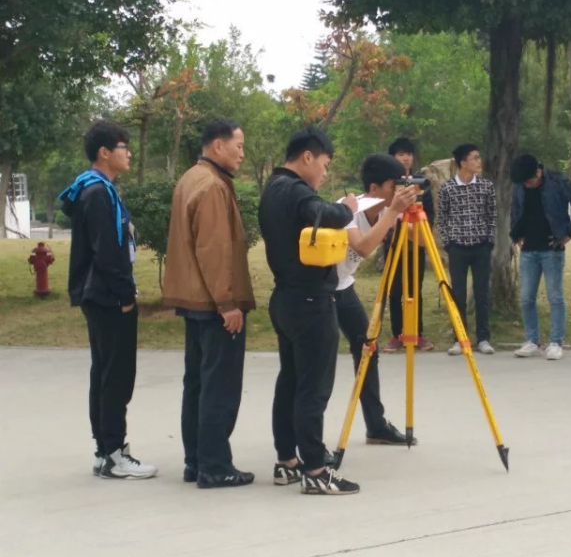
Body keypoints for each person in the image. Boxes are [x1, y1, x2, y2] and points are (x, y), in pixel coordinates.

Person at [259, 126, 360, 495]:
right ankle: (316, 469)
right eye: (324, 163)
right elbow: (321, 213)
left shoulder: (272, 189)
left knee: (290, 382)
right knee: (313, 388)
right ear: (307, 157)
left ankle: (287, 461)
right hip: (309, 302)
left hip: (285, 298)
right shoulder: (297, 191)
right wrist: (347, 209)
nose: (325, 172)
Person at [60, 120, 157, 479]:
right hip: (108, 297)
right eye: (123, 146)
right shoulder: (99, 193)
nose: (128, 153)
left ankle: (105, 451)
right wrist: (125, 296)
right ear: (104, 152)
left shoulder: (95, 190)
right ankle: (114, 454)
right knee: (116, 376)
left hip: (98, 295)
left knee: (104, 373)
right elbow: (108, 252)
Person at [162, 119, 256, 488]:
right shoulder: (213, 186)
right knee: (219, 386)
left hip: (194, 301)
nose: (242, 153)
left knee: (198, 384)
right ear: (218, 145)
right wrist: (227, 303)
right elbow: (214, 250)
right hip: (214, 303)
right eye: (239, 145)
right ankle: (215, 465)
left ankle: (197, 461)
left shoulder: (190, 178)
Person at [335, 154, 418, 443]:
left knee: (367, 349)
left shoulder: (386, 211)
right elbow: (363, 247)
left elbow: (423, 240)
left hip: (344, 286)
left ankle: (376, 426)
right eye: (394, 186)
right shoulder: (346, 209)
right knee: (318, 362)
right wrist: (393, 212)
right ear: (374, 188)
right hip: (321, 289)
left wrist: (413, 213)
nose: (398, 191)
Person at [510, 154, 571, 361]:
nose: (526, 185)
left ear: (538, 172)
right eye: (523, 183)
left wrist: (569, 233)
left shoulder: (558, 181)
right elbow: (515, 208)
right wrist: (516, 234)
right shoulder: (520, 184)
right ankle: (532, 340)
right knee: (526, 298)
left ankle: (556, 342)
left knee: (555, 297)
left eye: (529, 181)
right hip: (528, 250)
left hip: (552, 248)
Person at [437, 143, 496, 355]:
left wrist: (489, 241)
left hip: (481, 247)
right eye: (475, 158)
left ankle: (483, 338)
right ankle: (460, 338)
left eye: (479, 158)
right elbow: (442, 218)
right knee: (458, 296)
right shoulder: (447, 188)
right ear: (463, 162)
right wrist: (448, 242)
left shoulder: (486, 186)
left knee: (482, 294)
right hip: (457, 248)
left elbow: (492, 215)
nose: (479, 162)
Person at [383, 137, 435, 352]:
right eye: (401, 154)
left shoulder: (421, 183)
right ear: (393, 157)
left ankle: (417, 333)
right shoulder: (387, 184)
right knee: (395, 291)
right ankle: (397, 334)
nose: (405, 158)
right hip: (394, 244)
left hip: (416, 245)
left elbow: (429, 214)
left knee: (415, 291)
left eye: (409, 154)